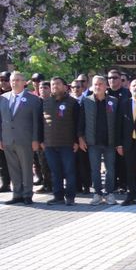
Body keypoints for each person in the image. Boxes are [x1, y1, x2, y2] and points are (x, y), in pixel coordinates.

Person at [0, 71, 42, 205]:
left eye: (18, 80)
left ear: (24, 83)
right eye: (12, 80)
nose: (14, 82)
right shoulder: (3, 98)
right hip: (7, 139)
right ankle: (17, 194)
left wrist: (35, 139)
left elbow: (36, 122)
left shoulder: (33, 99)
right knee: (13, 168)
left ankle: (27, 194)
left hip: (25, 140)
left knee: (26, 168)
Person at [78, 75, 119, 205]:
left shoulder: (114, 101)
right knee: (95, 169)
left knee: (110, 169)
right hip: (93, 142)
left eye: (100, 84)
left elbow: (119, 122)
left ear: (106, 86)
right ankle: (97, 193)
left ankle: (109, 193)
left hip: (110, 142)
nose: (98, 86)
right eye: (95, 84)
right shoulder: (86, 101)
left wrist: (119, 142)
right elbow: (81, 121)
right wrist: (80, 138)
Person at [41, 77, 80, 206]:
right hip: (50, 144)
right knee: (55, 172)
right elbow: (41, 123)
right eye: (53, 84)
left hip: (67, 144)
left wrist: (77, 141)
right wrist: (41, 140)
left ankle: (70, 197)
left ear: (65, 86)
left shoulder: (73, 103)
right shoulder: (45, 102)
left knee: (69, 172)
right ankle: (58, 197)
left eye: (58, 84)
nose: (55, 86)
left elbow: (78, 123)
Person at [0, 71, 10, 193]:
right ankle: (5, 183)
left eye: (5, 80)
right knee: (2, 161)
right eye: (1, 80)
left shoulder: (17, 94)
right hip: (2, 132)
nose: (3, 82)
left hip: (15, 133)